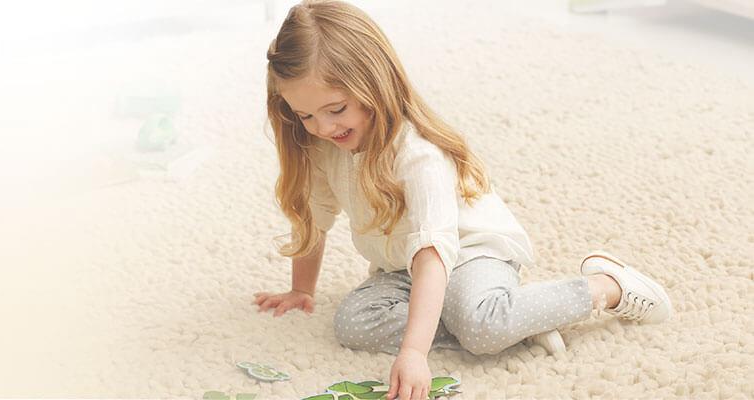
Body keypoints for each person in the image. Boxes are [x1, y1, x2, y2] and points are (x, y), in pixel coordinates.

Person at [249, 1, 674, 399]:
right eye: (305, 115)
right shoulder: (325, 147)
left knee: (479, 326)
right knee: (353, 323)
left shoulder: (418, 156)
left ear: (374, 83)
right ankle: (515, 319)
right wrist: (301, 288)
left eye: (336, 109)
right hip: (404, 267)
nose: (322, 127)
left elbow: (433, 252)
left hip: (471, 254)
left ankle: (608, 287)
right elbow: (315, 217)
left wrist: (414, 353)